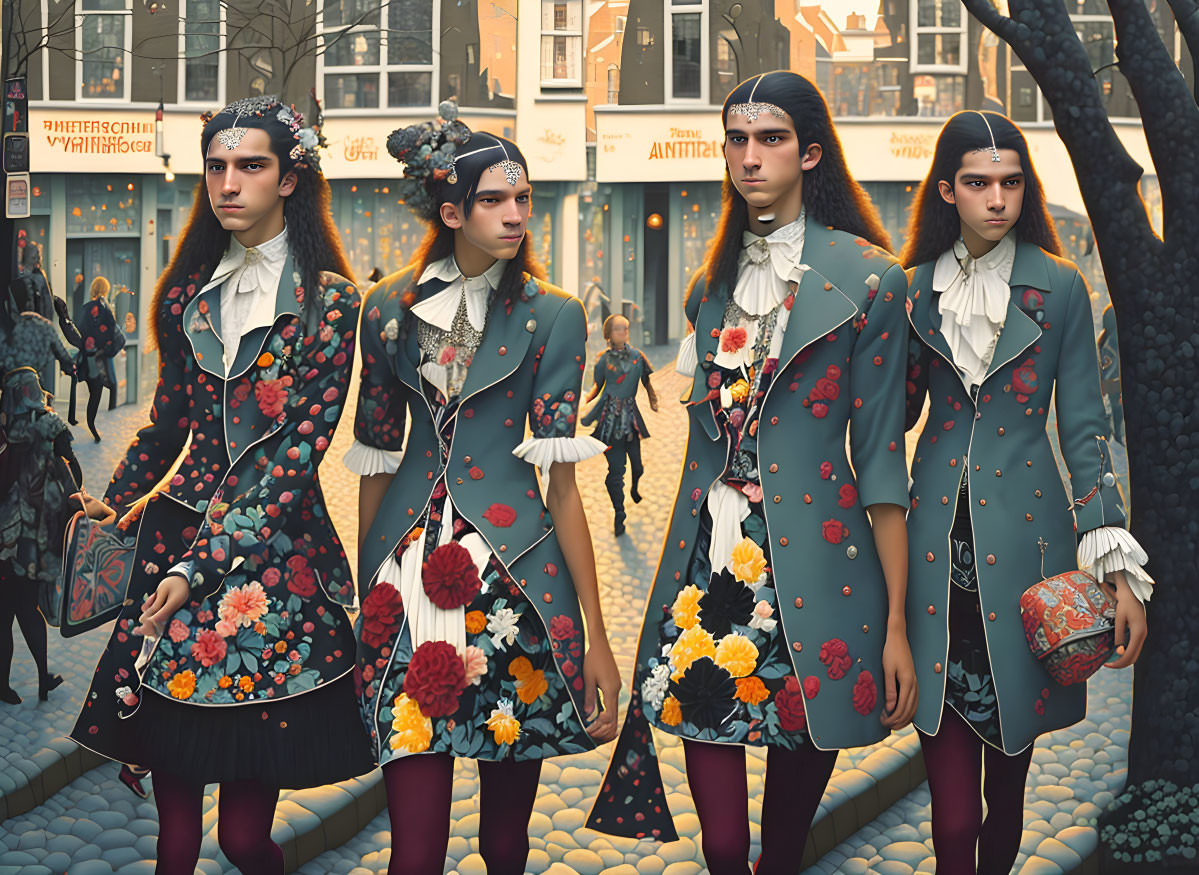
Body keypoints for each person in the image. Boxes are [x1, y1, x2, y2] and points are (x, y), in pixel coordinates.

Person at [588, 71, 918, 872]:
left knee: (783, 846)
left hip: (824, 565)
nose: (748, 156)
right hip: (707, 572)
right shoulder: (709, 288)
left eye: (768, 139)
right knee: (724, 846)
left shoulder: (872, 278)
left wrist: (900, 621)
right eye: (735, 139)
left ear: (809, 153)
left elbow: (880, 456)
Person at [70, 96, 373, 875]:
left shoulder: (331, 303)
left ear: (291, 178)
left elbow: (295, 457)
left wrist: (193, 567)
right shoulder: (185, 291)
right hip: (172, 543)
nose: (228, 183)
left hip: (270, 563)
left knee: (242, 837)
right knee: (171, 836)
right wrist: (121, 491)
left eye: (250, 165)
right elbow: (170, 417)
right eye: (216, 166)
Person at [348, 101, 622, 875]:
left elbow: (563, 489)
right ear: (450, 209)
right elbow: (375, 459)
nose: (514, 215)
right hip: (401, 590)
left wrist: (596, 637)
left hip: (514, 589)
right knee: (415, 851)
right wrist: (360, 588)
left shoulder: (555, 318)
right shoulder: (387, 311)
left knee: (505, 845)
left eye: (523, 198)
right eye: (495, 200)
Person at [900, 111, 1150, 875]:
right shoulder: (909, 291)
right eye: (977, 182)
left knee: (1006, 785)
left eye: (1010, 182)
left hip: (1030, 555)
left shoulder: (1061, 286)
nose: (996, 198)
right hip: (930, 553)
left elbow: (1082, 430)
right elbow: (885, 424)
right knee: (951, 815)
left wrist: (1116, 572)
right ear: (947, 190)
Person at [0, 367, 111, 704]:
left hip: (9, 539)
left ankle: (10, 684)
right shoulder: (52, 424)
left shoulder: (10, 433)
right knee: (25, 606)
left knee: (9, 611)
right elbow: (74, 473)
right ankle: (42, 677)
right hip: (40, 537)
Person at [582, 313, 659, 535]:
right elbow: (598, 385)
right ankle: (619, 514)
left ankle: (635, 486)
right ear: (608, 334)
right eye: (618, 329)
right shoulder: (603, 360)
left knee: (637, 466)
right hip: (609, 422)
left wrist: (652, 397)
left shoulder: (637, 356)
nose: (624, 332)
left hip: (631, 421)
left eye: (625, 328)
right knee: (616, 471)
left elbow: (646, 380)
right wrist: (587, 400)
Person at [75, 276, 126, 441]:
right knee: (105, 388)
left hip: (88, 358)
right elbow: (113, 332)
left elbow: (80, 331)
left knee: (96, 391)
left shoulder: (86, 308)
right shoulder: (106, 309)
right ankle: (94, 427)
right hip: (99, 358)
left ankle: (93, 427)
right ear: (105, 290)